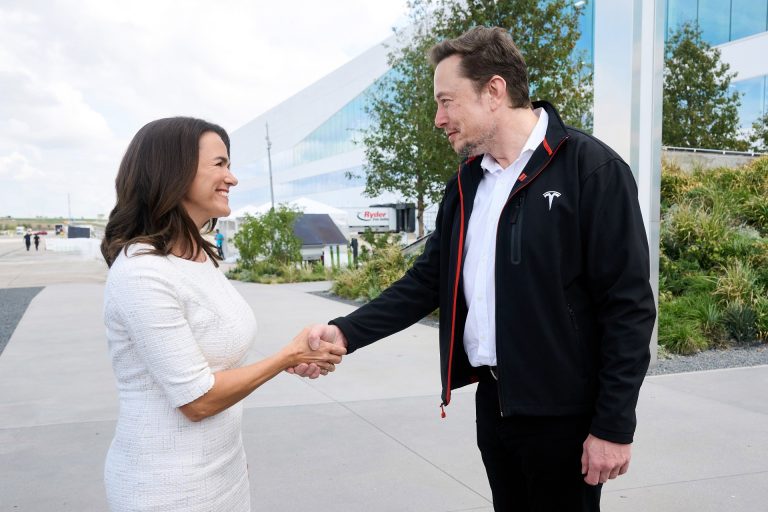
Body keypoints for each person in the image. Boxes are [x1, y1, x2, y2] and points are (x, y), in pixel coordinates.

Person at [293, 27, 656, 511]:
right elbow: (427, 281)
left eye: (447, 101)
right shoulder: (467, 184)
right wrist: (344, 332)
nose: (439, 118)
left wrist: (613, 425)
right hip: (495, 403)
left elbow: (628, 307)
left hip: (565, 415)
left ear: (494, 91)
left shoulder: (591, 169)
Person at [100, 117, 346, 512]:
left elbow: (222, 365)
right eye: (220, 164)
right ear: (173, 171)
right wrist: (289, 356)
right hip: (166, 489)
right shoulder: (142, 272)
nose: (231, 178)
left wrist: (231, 464)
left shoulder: (198, 256)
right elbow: (197, 400)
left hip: (222, 474)